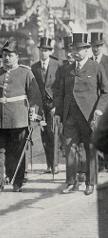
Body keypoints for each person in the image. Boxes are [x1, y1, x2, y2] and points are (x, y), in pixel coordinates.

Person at [54, 33, 108, 196]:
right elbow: (61, 93)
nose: (74, 52)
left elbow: (105, 92)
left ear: (86, 50)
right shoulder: (67, 69)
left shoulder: (96, 67)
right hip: (70, 116)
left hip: (89, 116)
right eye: (73, 49)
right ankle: (71, 182)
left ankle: (90, 183)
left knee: (90, 149)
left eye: (78, 49)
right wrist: (58, 113)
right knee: (70, 148)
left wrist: (98, 111)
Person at [0, 39, 41, 193]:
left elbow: (35, 97)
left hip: (18, 119)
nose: (6, 58)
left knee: (17, 151)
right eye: (4, 55)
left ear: (17, 56)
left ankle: (17, 180)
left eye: (10, 55)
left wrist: (34, 115)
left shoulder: (26, 73)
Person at [31, 37, 61, 174]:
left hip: (53, 105)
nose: (43, 53)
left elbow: (60, 87)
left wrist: (56, 105)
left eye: (46, 50)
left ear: (50, 51)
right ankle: (49, 164)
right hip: (40, 106)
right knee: (44, 135)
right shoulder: (34, 67)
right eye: (42, 50)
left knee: (53, 134)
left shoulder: (57, 65)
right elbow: (33, 88)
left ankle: (55, 164)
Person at [90, 32, 108, 171]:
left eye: (98, 46)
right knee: (93, 132)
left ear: (102, 46)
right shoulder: (88, 61)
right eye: (93, 46)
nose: (96, 49)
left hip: (106, 102)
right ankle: (99, 164)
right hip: (91, 103)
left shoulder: (107, 61)